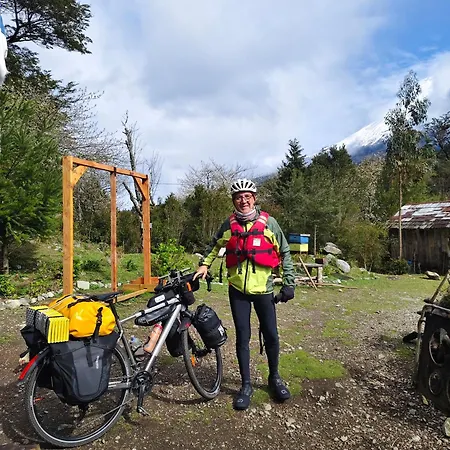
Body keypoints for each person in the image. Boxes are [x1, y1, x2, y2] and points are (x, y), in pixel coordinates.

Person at [194, 178, 296, 410]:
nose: (243, 200)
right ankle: (246, 385)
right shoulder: (229, 225)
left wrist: (289, 284)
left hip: (264, 290)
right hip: (238, 290)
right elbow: (214, 245)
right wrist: (204, 265)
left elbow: (284, 252)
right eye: (239, 197)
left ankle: (274, 378)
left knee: (271, 335)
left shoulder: (269, 223)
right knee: (243, 337)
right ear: (234, 201)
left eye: (247, 196)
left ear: (254, 198)